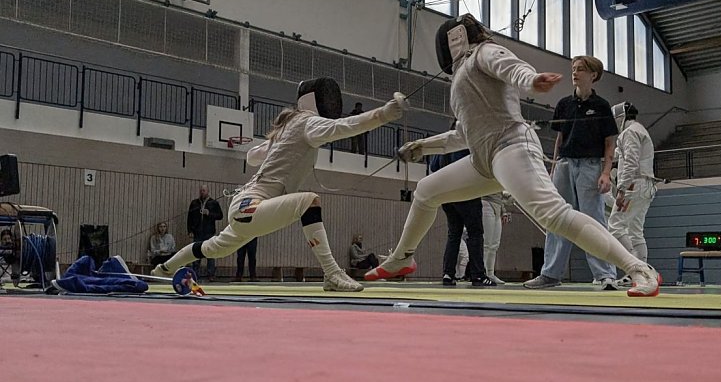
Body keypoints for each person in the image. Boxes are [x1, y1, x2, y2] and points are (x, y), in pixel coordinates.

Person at [364, 14, 661, 297]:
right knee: (427, 191)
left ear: (455, 38)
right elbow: (466, 135)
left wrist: (531, 80)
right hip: (484, 160)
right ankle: (402, 258)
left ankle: (639, 269)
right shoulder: (460, 80)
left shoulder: (483, 53)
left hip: (512, 147)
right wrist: (422, 146)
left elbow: (511, 67)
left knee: (555, 216)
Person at [152, 77, 406, 292]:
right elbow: (345, 126)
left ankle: (164, 268)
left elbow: (253, 156)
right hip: (250, 206)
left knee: (213, 248)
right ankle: (331, 273)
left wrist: (276, 148)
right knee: (309, 201)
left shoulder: (289, 126)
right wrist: (383, 114)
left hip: (248, 205)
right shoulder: (307, 122)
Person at [525, 55, 620, 291]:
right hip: (565, 165)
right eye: (573, 69)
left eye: (580, 70)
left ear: (593, 75)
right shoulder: (564, 104)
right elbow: (560, 138)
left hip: (590, 166)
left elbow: (610, 143)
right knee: (557, 219)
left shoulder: (601, 106)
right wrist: (554, 168)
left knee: (593, 220)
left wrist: (606, 173)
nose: (575, 73)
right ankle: (550, 273)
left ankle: (605, 275)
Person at [607, 102, 657, 287]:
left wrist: (622, 189)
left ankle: (636, 270)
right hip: (646, 187)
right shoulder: (639, 130)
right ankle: (642, 273)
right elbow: (620, 154)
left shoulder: (630, 132)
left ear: (620, 117)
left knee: (615, 226)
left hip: (633, 186)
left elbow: (630, 162)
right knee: (635, 231)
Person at [429, 144, 489, 287]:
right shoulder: (468, 143)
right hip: (466, 192)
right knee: (475, 233)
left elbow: (433, 166)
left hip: (447, 194)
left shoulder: (445, 143)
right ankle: (478, 275)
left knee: (454, 234)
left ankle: (448, 274)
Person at [187, 185, 223, 281]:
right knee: (196, 253)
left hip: (209, 232)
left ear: (208, 191)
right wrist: (189, 230)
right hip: (197, 232)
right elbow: (189, 217)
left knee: (210, 254)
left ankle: (211, 274)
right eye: (201, 191)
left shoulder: (213, 203)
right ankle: (195, 274)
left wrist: (209, 213)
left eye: (204, 190)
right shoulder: (194, 203)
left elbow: (220, 216)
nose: (202, 192)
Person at [482, 192, 512, 285]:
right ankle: (483, 274)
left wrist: (503, 211)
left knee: (495, 244)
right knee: (486, 243)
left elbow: (499, 194)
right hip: (486, 203)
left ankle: (490, 274)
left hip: (498, 206)